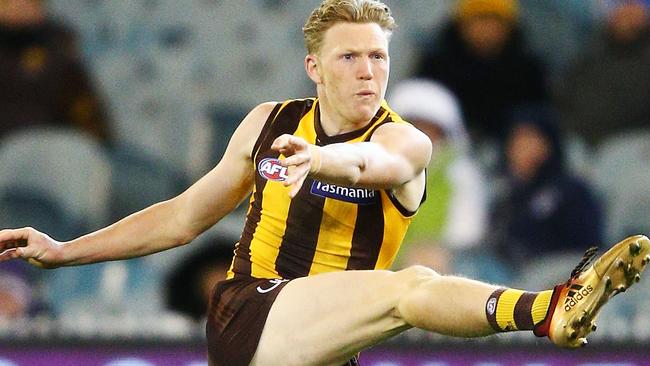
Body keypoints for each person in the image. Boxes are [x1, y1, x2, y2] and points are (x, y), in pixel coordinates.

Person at [0, 1, 647, 365]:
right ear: (314, 66)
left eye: (379, 57)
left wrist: (322, 162)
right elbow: (180, 217)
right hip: (250, 318)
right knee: (410, 290)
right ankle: (544, 309)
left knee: (402, 292)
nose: (368, 71)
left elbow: (378, 166)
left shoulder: (406, 139)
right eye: (349, 56)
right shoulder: (269, 123)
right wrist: (62, 252)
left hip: (327, 349)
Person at [487, 104, 605, 280]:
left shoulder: (571, 191)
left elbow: (588, 247)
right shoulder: (504, 194)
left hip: (559, 278)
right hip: (509, 276)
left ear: (548, 144)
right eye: (517, 139)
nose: (521, 147)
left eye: (530, 139)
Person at [387, 79, 487, 274]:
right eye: (412, 125)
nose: (420, 133)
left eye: (429, 128)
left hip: (437, 267)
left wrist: (425, 251)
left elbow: (467, 232)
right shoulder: (373, 164)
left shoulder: (459, 173)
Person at [414, 0, 548, 144]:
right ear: (462, 24)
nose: (486, 29)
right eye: (479, 19)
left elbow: (537, 119)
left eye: (494, 21)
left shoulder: (527, 70)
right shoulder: (436, 64)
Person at [0, 0, 112, 144]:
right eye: (8, 2)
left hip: (52, 153)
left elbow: (85, 112)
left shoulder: (59, 51)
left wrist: (100, 146)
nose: (21, 4)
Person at [553, 0, 650, 146]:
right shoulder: (590, 52)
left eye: (634, 7)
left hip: (634, 143)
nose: (626, 13)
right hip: (582, 140)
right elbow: (563, 95)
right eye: (620, 6)